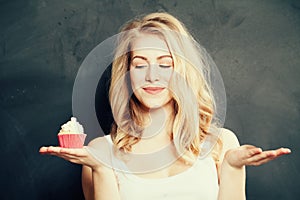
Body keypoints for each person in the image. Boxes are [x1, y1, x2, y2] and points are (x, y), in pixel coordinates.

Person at [39, 12, 291, 200]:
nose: (152, 76)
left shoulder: (221, 144)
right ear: (126, 74)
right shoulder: (100, 151)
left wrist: (233, 167)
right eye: (139, 64)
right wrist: (102, 168)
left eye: (165, 63)